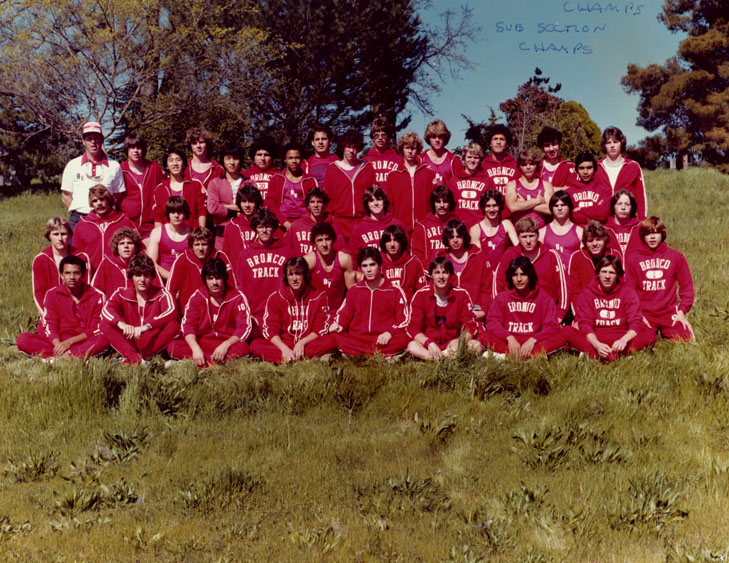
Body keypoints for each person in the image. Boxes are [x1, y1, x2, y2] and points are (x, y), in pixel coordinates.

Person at [563, 255, 656, 361]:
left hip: (620, 336)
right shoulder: (587, 294)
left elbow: (636, 321)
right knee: (567, 330)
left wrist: (624, 340)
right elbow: (585, 324)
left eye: (612, 272)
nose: (607, 276)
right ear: (598, 273)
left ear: (617, 275)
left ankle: (594, 355)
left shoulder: (628, 292)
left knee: (651, 334)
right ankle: (618, 355)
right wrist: (597, 344)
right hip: (596, 336)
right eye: (604, 271)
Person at [17, 256, 109, 359]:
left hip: (82, 342)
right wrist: (58, 345)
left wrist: (69, 342)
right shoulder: (52, 294)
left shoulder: (97, 295)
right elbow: (50, 324)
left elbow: (95, 328)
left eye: (76, 273)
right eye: (67, 273)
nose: (72, 277)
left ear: (83, 274)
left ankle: (63, 357)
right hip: (56, 342)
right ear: (62, 275)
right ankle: (64, 357)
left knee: (103, 339)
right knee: (23, 339)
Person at [251, 256, 338, 363]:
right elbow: (271, 330)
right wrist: (284, 349)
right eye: (290, 274)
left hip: (307, 344)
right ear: (286, 277)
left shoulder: (319, 296)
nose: (294, 278)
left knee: (331, 341)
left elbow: (319, 329)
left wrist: (302, 342)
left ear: (305, 275)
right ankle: (297, 357)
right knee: (256, 345)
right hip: (284, 344)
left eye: (298, 273)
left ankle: (287, 359)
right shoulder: (276, 298)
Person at [168, 258, 252, 367]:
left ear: (224, 278)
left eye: (218, 278)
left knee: (244, 347)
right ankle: (215, 364)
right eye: (210, 278)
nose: (214, 282)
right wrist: (195, 348)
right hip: (203, 342)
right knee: (173, 346)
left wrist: (226, 345)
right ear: (205, 280)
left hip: (227, 344)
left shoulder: (237, 297)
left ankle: (200, 364)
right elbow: (188, 324)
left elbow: (244, 327)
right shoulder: (198, 296)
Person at [329, 247, 410, 358]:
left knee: (403, 339)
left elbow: (404, 320)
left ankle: (358, 354)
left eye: (372, 265)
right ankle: (380, 355)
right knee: (334, 335)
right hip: (357, 338)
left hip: (383, 340)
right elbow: (344, 314)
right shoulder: (354, 290)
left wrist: (389, 333)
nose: (368, 270)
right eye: (364, 266)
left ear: (380, 266)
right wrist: (339, 325)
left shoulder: (394, 290)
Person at [480, 257, 565, 359]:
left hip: (533, 342)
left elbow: (551, 326)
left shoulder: (544, 298)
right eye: (515, 275)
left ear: (530, 276)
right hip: (510, 342)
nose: (519, 279)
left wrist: (533, 339)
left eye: (523, 274)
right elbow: (492, 322)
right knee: (482, 335)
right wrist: (509, 338)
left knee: (562, 337)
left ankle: (506, 356)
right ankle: (526, 356)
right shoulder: (502, 297)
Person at [624, 217, 695, 341]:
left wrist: (682, 311)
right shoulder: (633, 259)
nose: (652, 237)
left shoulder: (676, 256)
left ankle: (670, 329)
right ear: (642, 236)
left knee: (686, 339)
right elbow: (630, 291)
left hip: (668, 312)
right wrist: (637, 314)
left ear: (662, 234)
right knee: (641, 341)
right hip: (644, 313)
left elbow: (687, 287)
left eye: (656, 233)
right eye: (648, 233)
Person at [100, 255, 179, 364]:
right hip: (130, 337)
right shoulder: (121, 293)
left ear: (152, 277)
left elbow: (171, 312)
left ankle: (140, 358)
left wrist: (146, 327)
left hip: (151, 339)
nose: (142, 280)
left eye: (146, 275)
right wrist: (121, 324)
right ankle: (136, 359)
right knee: (105, 323)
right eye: (138, 275)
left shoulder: (162, 293)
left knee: (173, 325)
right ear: (131, 276)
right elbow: (106, 310)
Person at [494, 217, 571, 323]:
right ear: (518, 237)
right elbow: (497, 284)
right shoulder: (509, 255)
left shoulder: (551, 255)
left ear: (538, 236)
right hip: (516, 313)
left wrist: (559, 315)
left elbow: (564, 288)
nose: (528, 241)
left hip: (546, 313)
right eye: (524, 237)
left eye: (532, 236)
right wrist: (500, 312)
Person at [406, 257, 481, 360]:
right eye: (437, 272)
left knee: (476, 346)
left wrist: (460, 341)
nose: (441, 277)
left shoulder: (461, 294)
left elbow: (470, 326)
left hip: (453, 345)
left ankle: (447, 358)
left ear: (450, 274)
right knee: (412, 346)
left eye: (445, 272)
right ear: (431, 275)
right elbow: (413, 328)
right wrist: (429, 343)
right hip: (430, 345)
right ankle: (435, 359)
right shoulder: (421, 295)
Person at [61, 121, 124, 230]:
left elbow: (118, 195)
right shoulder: (72, 165)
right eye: (89, 139)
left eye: (96, 138)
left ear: (102, 140)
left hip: (106, 219)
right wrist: (80, 213)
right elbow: (66, 196)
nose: (93, 142)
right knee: (75, 248)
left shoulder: (114, 166)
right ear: (83, 141)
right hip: (79, 219)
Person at [235, 208, 292, 328]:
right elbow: (241, 287)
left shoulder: (287, 252)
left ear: (274, 228)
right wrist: (247, 312)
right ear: (255, 228)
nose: (264, 230)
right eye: (260, 227)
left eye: (268, 226)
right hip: (255, 315)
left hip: (282, 314)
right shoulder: (245, 255)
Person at [323, 129, 376, 240]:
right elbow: (328, 197)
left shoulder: (367, 168)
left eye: (354, 147)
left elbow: (373, 195)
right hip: (339, 221)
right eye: (348, 147)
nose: (351, 151)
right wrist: (330, 219)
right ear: (343, 147)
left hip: (361, 220)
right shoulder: (332, 169)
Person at [32, 217, 91, 314]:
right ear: (49, 236)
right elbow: (38, 292)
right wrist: (46, 314)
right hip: (50, 312)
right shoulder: (40, 260)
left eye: (63, 234)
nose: (60, 238)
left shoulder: (81, 257)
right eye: (55, 234)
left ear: (69, 235)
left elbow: (87, 288)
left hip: (77, 311)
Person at [167, 227, 234, 312]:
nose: (201, 249)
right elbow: (170, 291)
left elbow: (232, 287)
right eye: (197, 244)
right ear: (192, 246)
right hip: (189, 313)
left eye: (204, 244)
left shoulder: (220, 257)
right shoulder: (183, 259)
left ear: (210, 245)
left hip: (218, 313)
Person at [72, 185, 135, 272]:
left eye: (102, 199)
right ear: (91, 204)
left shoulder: (124, 221)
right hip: (91, 272)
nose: (99, 203)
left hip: (117, 271)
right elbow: (76, 253)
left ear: (108, 200)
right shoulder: (82, 225)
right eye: (95, 201)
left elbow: (137, 247)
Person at [439, 219, 491, 320]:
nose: (455, 240)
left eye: (458, 236)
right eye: (451, 237)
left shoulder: (478, 256)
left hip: (473, 309)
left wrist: (482, 310)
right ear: (447, 239)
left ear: (464, 237)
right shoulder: (440, 258)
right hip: (447, 313)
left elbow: (486, 287)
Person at [385, 132, 434, 235]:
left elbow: (433, 201)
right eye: (407, 148)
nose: (410, 151)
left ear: (418, 149)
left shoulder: (428, 173)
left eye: (413, 148)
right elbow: (389, 205)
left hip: (423, 226)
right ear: (402, 149)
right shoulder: (393, 175)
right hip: (400, 227)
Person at [118, 132, 164, 239]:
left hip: (151, 225)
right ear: (127, 149)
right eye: (132, 147)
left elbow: (165, 190)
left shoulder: (154, 168)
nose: (135, 151)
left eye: (138, 147)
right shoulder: (120, 170)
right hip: (127, 225)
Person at [595, 126, 647, 219]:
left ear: (621, 143)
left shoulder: (633, 166)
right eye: (608, 142)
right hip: (602, 221)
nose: (612, 145)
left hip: (627, 220)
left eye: (615, 142)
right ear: (604, 145)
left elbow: (640, 197)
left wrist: (642, 221)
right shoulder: (596, 167)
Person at [264, 142, 318, 229]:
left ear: (301, 159)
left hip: (305, 222)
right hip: (281, 223)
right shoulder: (276, 179)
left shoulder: (310, 180)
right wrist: (284, 222)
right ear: (285, 159)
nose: (294, 161)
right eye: (290, 158)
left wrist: (306, 223)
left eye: (297, 158)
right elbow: (271, 204)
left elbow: (315, 205)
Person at [305, 222, 356, 311]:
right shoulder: (308, 261)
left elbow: (352, 291)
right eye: (320, 240)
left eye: (327, 239)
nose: (324, 244)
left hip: (338, 311)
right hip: (314, 312)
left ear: (333, 240)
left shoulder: (344, 259)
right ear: (314, 243)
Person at [567, 220, 622, 302]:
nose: (594, 244)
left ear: (605, 240)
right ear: (585, 242)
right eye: (590, 240)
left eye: (598, 239)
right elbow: (575, 290)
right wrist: (579, 313)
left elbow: (620, 284)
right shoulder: (577, 257)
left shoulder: (614, 254)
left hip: (611, 303)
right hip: (586, 305)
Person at [152, 147, 206, 230]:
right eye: (171, 160)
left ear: (184, 163)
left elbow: (201, 211)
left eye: (178, 160)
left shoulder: (195, 185)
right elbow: (158, 216)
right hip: (169, 235)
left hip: (192, 233)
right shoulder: (160, 189)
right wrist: (159, 236)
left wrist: (200, 233)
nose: (175, 163)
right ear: (166, 166)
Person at [283, 187, 346, 256]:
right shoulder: (296, 225)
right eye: (312, 202)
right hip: (302, 265)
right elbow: (285, 249)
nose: (316, 205)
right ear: (308, 205)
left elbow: (343, 251)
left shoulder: (333, 226)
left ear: (325, 205)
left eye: (319, 202)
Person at [206, 142, 246, 250]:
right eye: (228, 158)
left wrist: (222, 205)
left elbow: (252, 207)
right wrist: (236, 211)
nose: (232, 162)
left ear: (240, 160)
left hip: (245, 233)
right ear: (223, 160)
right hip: (221, 234)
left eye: (235, 158)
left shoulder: (249, 183)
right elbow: (212, 208)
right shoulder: (215, 183)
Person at [349, 185, 406, 258]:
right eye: (371, 200)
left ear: (384, 202)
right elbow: (354, 257)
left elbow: (405, 252)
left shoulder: (397, 224)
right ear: (367, 205)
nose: (376, 203)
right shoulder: (359, 229)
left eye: (379, 199)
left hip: (392, 267)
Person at [468, 190, 518, 273]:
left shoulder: (506, 225)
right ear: (483, 207)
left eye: (494, 206)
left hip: (503, 271)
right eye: (488, 206)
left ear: (500, 206)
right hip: (484, 273)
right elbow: (478, 259)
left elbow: (518, 248)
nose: (491, 210)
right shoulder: (476, 229)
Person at [505, 149, 554, 229]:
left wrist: (523, 204)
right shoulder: (512, 185)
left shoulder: (546, 185)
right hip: (520, 233)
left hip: (540, 232)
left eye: (531, 164)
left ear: (537, 165)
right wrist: (537, 201)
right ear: (519, 166)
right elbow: (512, 207)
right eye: (524, 165)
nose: (528, 167)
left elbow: (551, 210)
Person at [91, 227, 147, 298]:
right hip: (112, 306)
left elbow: (156, 288)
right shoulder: (107, 263)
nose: (126, 246)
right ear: (117, 247)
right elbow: (95, 290)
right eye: (122, 243)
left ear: (136, 247)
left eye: (129, 243)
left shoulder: (143, 263)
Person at [412, 185, 457, 268]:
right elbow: (417, 254)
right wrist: (430, 272)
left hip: (453, 272)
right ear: (433, 203)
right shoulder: (422, 226)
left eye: (445, 201)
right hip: (430, 274)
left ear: (450, 203)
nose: (442, 205)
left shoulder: (457, 224)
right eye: (438, 201)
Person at [147, 197, 191, 282]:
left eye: (179, 212)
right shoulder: (157, 232)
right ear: (168, 214)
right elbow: (151, 263)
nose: (176, 216)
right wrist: (172, 278)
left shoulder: (192, 235)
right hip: (161, 279)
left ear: (185, 213)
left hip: (186, 280)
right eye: (173, 212)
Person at [222, 183, 264, 270]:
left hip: (259, 273)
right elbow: (226, 254)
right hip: (238, 274)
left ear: (257, 203)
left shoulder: (265, 225)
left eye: (251, 201)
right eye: (244, 201)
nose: (247, 205)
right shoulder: (232, 226)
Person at [450, 142, 490, 228]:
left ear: (480, 159)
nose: (472, 160)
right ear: (464, 158)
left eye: (476, 158)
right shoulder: (454, 180)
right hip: (458, 228)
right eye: (469, 157)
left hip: (480, 227)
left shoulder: (487, 180)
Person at [380, 224, 425, 301]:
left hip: (409, 310)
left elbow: (421, 293)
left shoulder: (414, 263)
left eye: (396, 240)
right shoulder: (378, 263)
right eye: (388, 241)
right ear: (384, 243)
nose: (392, 245)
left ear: (402, 242)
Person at [564, 152, 611, 225]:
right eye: (581, 168)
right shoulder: (568, 192)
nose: (585, 172)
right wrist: (596, 209)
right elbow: (570, 216)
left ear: (594, 169)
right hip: (577, 233)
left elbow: (603, 215)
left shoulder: (605, 191)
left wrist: (580, 210)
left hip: (598, 233)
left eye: (589, 168)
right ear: (576, 170)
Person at [539, 190, 583, 267]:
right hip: (551, 276)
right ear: (551, 208)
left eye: (563, 205)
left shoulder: (580, 232)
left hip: (573, 275)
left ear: (569, 207)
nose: (559, 208)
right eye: (556, 206)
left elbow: (584, 260)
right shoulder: (542, 232)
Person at [362, 116, 403, 189]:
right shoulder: (364, 162)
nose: (380, 138)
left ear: (389, 137)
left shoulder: (400, 161)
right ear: (373, 139)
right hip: (373, 200)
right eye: (377, 135)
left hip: (392, 200)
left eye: (383, 135)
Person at [421, 119, 461, 185]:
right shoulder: (420, 160)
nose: (437, 140)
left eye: (440, 136)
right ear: (428, 138)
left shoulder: (454, 160)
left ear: (445, 138)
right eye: (434, 137)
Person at [185, 126, 224, 191]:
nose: (198, 146)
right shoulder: (184, 168)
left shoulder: (218, 169)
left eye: (201, 142)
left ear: (207, 144)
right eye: (194, 143)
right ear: (190, 146)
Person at [481, 124, 517, 193]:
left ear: (507, 144)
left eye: (502, 139)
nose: (498, 142)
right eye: (495, 139)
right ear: (490, 143)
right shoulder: (482, 167)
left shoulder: (516, 166)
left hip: (511, 203)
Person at [605, 189, 641, 258]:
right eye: (619, 204)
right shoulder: (605, 229)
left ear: (632, 207)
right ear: (613, 206)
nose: (623, 207)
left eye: (627, 204)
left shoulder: (640, 228)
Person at [243, 135, 279, 202]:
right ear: (253, 156)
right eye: (259, 155)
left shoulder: (280, 176)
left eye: (266, 155)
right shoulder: (243, 176)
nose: (262, 158)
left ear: (272, 157)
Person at [303, 123, 337, 189]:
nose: (320, 142)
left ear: (330, 141)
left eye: (324, 139)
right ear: (312, 142)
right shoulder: (304, 166)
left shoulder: (339, 163)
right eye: (317, 139)